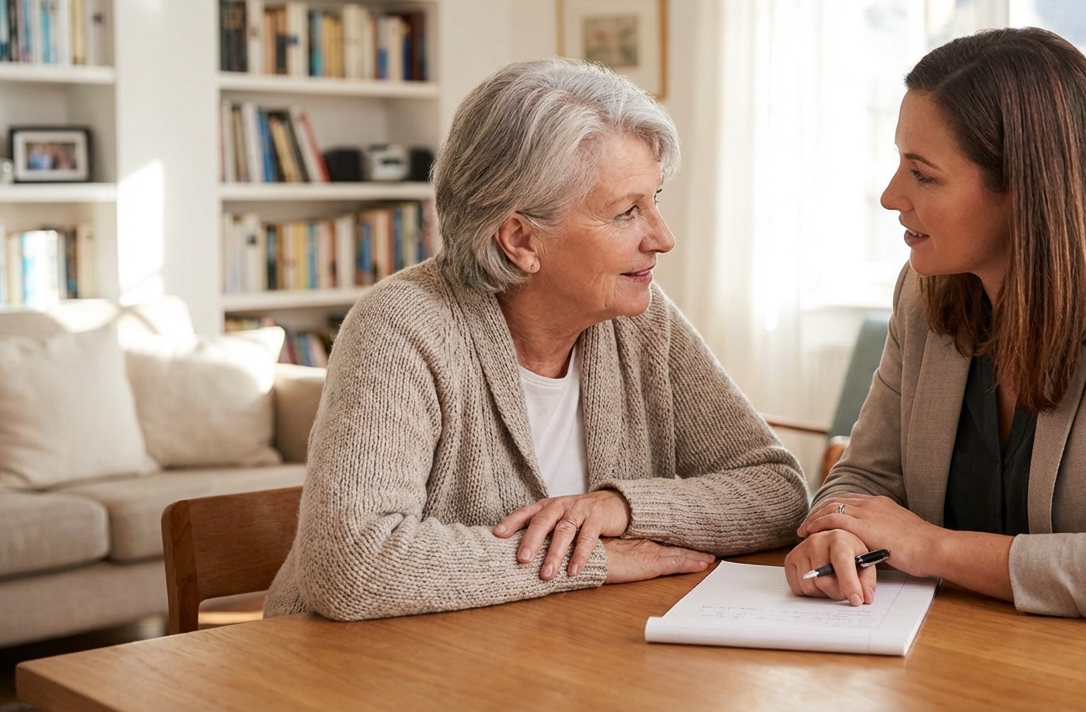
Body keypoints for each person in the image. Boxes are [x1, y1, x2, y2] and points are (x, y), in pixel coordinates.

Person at [266, 58, 809, 621]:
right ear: (521, 239)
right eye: (626, 212)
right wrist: (589, 557)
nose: (663, 238)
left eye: (656, 200)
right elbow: (353, 564)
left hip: (551, 648)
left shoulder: (640, 319)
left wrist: (619, 508)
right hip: (354, 662)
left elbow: (777, 493)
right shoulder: (402, 326)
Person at [784, 28, 1086, 632]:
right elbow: (865, 480)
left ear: (1026, 188)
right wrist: (838, 532)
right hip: (992, 650)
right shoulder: (924, 296)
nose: (891, 196)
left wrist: (931, 547)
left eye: (923, 174)